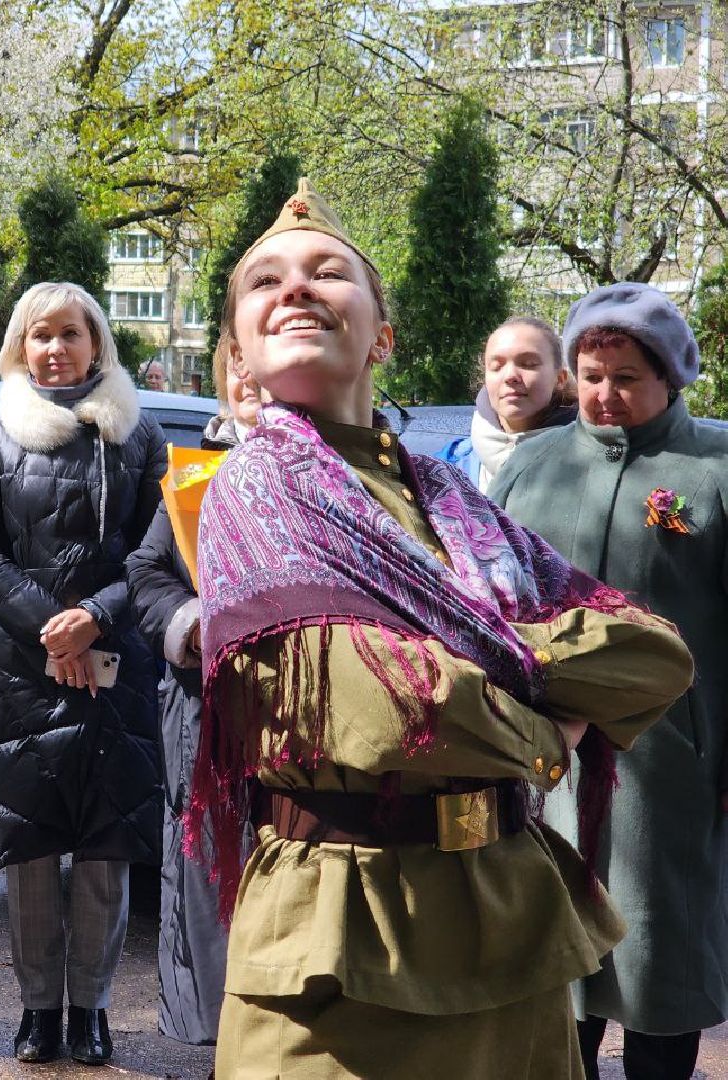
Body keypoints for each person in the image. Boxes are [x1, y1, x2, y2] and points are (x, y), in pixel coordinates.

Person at [192, 180, 693, 1078]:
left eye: (328, 272)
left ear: (382, 333)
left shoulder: (451, 495)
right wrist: (546, 714)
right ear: (239, 352)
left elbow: (653, 654)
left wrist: (479, 657)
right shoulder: (254, 493)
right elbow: (382, 713)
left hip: (510, 913)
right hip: (340, 937)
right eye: (265, 281)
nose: (296, 288)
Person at [491, 283, 728, 1080]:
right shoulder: (532, 465)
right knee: (555, 967)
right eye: (591, 374)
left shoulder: (715, 469)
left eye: (626, 378)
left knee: (661, 964)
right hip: (544, 763)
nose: (605, 394)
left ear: (670, 378)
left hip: (672, 771)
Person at [0, 281, 167, 1067]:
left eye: (70, 333)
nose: (56, 348)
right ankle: (39, 1009)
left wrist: (95, 620)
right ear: (19, 345)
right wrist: (53, 627)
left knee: (105, 851)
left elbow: (157, 551)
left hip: (114, 666)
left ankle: (94, 1009)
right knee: (32, 849)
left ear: (97, 342)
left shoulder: (137, 438)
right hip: (21, 670)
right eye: (41, 334)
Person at [125, 336, 258, 1046]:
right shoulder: (194, 471)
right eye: (235, 368)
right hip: (201, 711)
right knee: (209, 883)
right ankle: (221, 1046)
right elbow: (147, 570)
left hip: (294, 721)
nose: (249, 380)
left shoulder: (343, 468)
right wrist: (190, 622)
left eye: (258, 364)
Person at [437, 315, 575, 492]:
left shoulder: (591, 462)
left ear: (560, 378)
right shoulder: (449, 466)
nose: (510, 376)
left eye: (528, 364)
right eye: (496, 366)